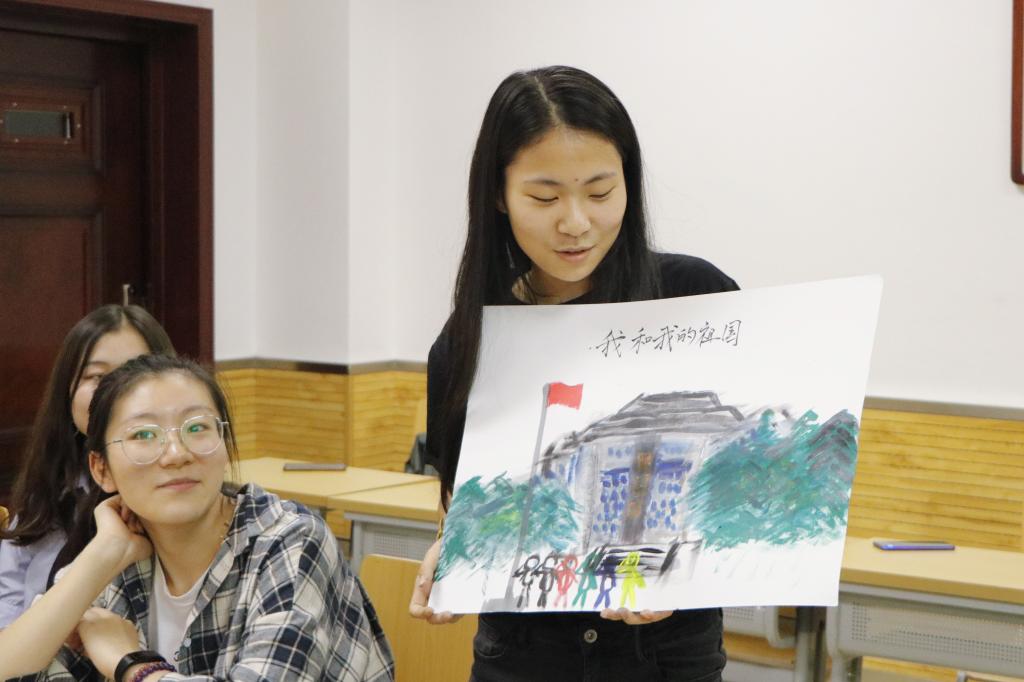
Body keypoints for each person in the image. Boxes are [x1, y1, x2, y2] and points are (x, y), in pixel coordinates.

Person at [409, 65, 739, 681]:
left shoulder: (696, 300)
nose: (576, 222)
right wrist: (451, 556)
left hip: (663, 660)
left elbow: (739, 485)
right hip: (523, 660)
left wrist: (688, 572)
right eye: (544, 197)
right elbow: (467, 513)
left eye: (600, 192)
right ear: (498, 195)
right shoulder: (465, 345)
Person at [16, 353, 395, 681]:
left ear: (225, 447)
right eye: (143, 435)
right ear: (101, 469)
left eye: (197, 428)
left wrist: (131, 664)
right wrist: (103, 553)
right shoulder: (119, 554)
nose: (176, 454)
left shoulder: (291, 542)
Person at [0, 305, 175, 628]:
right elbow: (7, 594)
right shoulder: (51, 483)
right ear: (67, 390)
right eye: (97, 376)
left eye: (135, 372)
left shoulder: (175, 496)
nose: (115, 390)